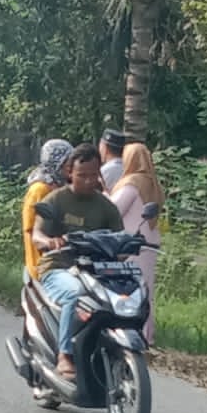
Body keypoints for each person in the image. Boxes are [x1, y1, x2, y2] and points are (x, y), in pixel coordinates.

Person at [30, 144, 124, 378]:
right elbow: (37, 235)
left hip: (95, 269)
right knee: (75, 294)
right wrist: (49, 241)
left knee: (121, 298)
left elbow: (120, 239)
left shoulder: (106, 206)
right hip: (58, 266)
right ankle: (65, 354)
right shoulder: (56, 200)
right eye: (82, 175)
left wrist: (124, 249)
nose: (89, 181)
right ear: (69, 172)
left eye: (94, 175)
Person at [110, 142, 164, 346]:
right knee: (146, 290)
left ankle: (129, 333)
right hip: (150, 243)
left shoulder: (131, 183)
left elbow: (114, 210)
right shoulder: (154, 184)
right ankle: (147, 334)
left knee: (128, 288)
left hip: (130, 244)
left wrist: (103, 194)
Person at [22, 139, 74, 280]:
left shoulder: (60, 185)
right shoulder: (39, 190)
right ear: (56, 163)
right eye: (68, 164)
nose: (71, 168)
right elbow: (31, 229)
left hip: (61, 257)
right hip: (41, 262)